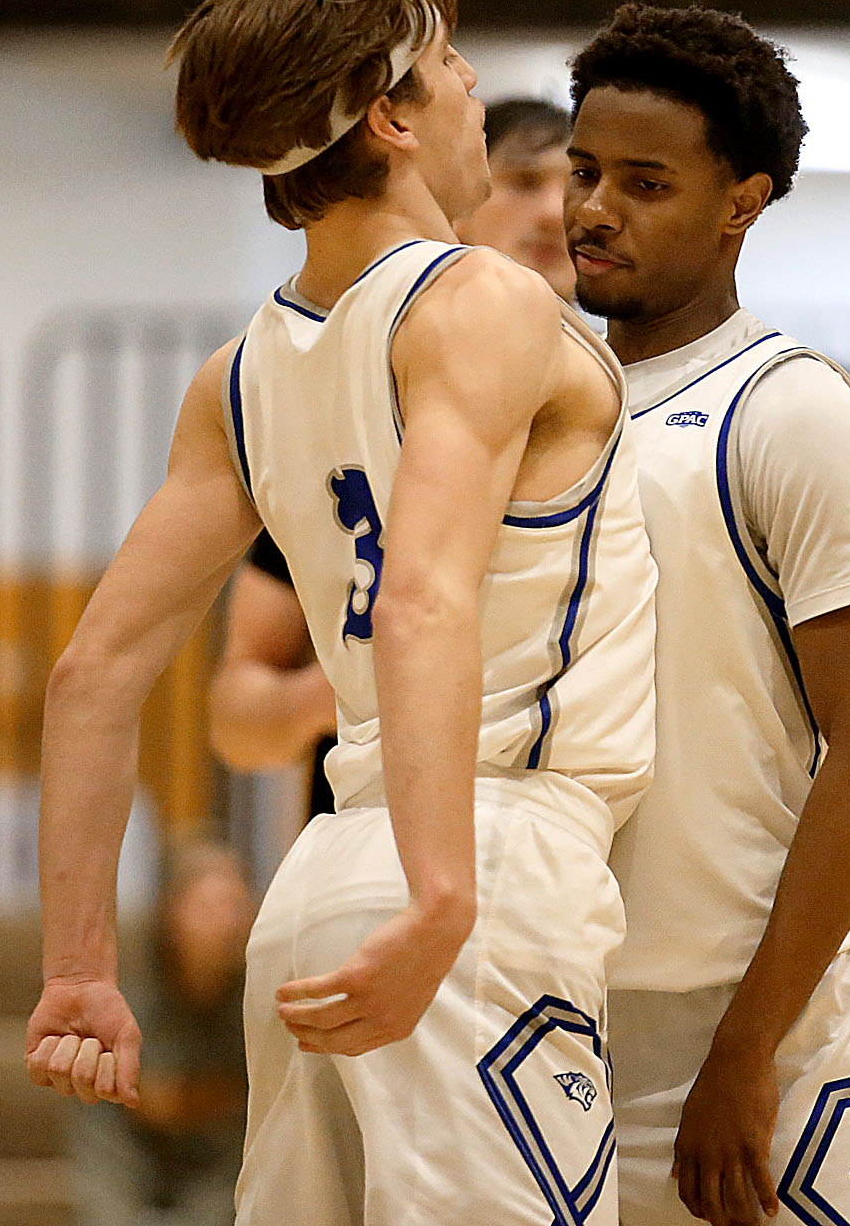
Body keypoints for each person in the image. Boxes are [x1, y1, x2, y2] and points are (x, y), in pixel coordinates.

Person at [26, 0, 661, 1226]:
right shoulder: (483, 300)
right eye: (450, 58)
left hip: (318, 889)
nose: (479, 80)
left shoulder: (238, 375)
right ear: (391, 113)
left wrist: (79, 964)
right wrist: (442, 897)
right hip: (481, 869)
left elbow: (97, 671)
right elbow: (424, 589)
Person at [565, 4, 850, 1226]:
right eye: (581, 171)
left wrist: (745, 1047)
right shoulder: (540, 404)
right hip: (573, 1022)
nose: (591, 209)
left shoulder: (791, 413)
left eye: (642, 181)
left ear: (743, 202)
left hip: (769, 1039)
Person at [207, 97, 582, 824]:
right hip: (380, 843)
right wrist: (342, 689)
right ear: (463, 195)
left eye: (575, 182)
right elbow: (235, 723)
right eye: (527, 180)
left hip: (567, 843)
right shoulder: (341, 412)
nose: (557, 210)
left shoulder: (620, 406)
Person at [70, 839, 253, 1226]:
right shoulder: (128, 1012)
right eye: (207, 908)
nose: (225, 922)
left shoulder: (258, 1016)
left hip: (226, 1193)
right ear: (171, 914)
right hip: (132, 1181)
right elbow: (104, 1145)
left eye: (233, 907)